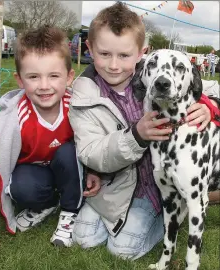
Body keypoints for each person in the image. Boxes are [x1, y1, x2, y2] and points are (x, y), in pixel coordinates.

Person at [68, 2, 220, 260]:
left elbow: (208, 87)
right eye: (104, 54)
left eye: (124, 55)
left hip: (154, 183)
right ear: (89, 49)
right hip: (115, 184)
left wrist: (212, 106)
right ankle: (139, 215)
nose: (114, 65)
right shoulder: (84, 93)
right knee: (83, 238)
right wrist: (136, 135)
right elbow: (91, 152)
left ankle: (176, 209)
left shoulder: (156, 71)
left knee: (124, 249)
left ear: (141, 54)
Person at [0, 26, 100, 252]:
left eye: (54, 76)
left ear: (68, 77)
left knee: (68, 153)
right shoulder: (8, 123)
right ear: (20, 80)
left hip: (71, 170)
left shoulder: (78, 109)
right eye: (34, 77)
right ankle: (47, 204)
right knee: (22, 186)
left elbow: (100, 145)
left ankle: (69, 212)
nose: (44, 86)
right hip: (38, 175)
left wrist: (97, 172)